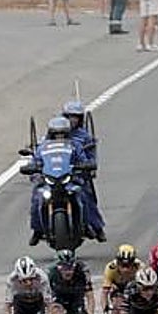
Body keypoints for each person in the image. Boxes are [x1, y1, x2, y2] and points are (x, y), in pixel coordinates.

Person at [26, 116, 91, 246]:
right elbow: (35, 161)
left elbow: (84, 160)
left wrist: (85, 166)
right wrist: (32, 169)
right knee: (36, 199)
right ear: (51, 133)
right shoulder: (43, 147)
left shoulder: (75, 145)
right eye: (57, 134)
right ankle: (37, 230)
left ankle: (86, 225)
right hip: (49, 182)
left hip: (70, 181)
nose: (59, 137)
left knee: (84, 195)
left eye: (62, 134)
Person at [60, 100, 104, 241]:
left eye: (76, 117)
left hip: (77, 175)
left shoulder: (84, 137)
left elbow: (91, 155)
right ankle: (38, 228)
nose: (72, 120)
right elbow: (42, 151)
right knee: (39, 196)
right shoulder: (54, 133)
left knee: (86, 196)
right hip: (56, 174)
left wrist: (90, 167)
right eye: (69, 116)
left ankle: (96, 227)